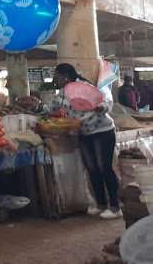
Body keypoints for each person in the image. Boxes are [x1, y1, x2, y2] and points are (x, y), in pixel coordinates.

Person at [44, 63, 120, 219]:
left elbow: (107, 104)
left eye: (57, 77)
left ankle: (115, 206)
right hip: (84, 133)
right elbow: (51, 108)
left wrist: (99, 108)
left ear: (66, 76)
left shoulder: (84, 87)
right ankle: (101, 204)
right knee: (92, 168)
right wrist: (34, 110)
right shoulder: (62, 94)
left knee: (103, 167)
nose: (54, 80)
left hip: (102, 131)